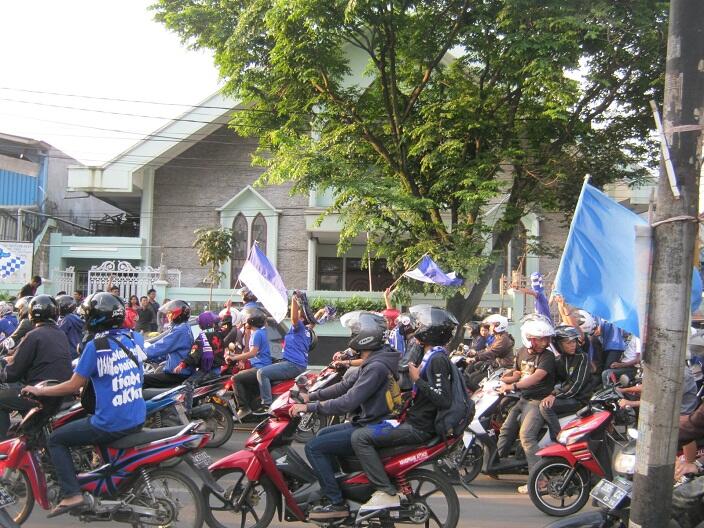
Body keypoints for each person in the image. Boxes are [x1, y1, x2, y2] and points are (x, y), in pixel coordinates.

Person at [22, 292, 146, 517]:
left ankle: (72, 494)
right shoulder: (134, 338)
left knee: (57, 439)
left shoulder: (96, 346)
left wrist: (40, 390)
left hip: (111, 422)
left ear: (95, 318)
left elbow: (73, 385)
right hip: (136, 416)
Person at [288, 311, 399, 520]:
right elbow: (344, 386)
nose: (351, 337)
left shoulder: (375, 366)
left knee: (313, 447)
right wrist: (309, 396)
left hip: (372, 425)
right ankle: (339, 485)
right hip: (368, 421)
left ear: (365, 336)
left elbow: (348, 401)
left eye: (354, 332)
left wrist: (310, 408)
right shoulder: (374, 359)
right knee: (322, 435)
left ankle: (336, 502)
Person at [350, 305, 458, 511]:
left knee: (360, 437)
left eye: (420, 324)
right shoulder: (430, 355)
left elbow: (443, 399)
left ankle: (385, 491)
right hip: (413, 420)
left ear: (429, 330)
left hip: (419, 427)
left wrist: (418, 380)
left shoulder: (437, 360)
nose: (416, 328)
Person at [496, 317, 556, 493]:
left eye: (546, 339)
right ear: (529, 338)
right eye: (541, 339)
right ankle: (498, 463)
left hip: (537, 401)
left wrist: (513, 385)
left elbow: (537, 376)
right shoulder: (522, 352)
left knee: (526, 437)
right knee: (506, 430)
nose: (545, 342)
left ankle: (541, 481)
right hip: (523, 399)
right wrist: (504, 379)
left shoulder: (548, 356)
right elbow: (517, 373)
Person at [0, 295, 73, 440]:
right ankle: (27, 433)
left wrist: (3, 369)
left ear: (31, 313)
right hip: (59, 392)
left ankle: (3, 448)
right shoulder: (60, 334)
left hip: (39, 393)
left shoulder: (33, 335)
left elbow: (12, 374)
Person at [257, 294, 317, 409]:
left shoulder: (298, 327)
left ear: (302, 319)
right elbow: (313, 322)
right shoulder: (308, 330)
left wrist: (294, 300)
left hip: (292, 364)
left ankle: (267, 405)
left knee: (262, 373)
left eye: (299, 315)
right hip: (297, 364)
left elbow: (294, 318)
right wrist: (321, 312)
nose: (295, 317)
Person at [540, 325, 591, 441]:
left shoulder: (582, 357)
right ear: (559, 344)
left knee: (545, 407)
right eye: (568, 343)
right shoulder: (560, 360)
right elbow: (552, 380)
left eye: (574, 341)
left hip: (579, 398)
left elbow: (576, 385)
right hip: (565, 395)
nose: (573, 345)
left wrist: (554, 395)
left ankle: (558, 440)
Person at [229, 308, 272, 418]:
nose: (245, 323)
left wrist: (235, 358)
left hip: (260, 367)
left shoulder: (257, 334)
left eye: (247, 321)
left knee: (236, 378)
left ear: (251, 323)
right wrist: (235, 356)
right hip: (261, 365)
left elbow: (252, 353)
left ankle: (243, 408)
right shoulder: (260, 332)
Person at [143, 300, 194, 388]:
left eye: (170, 313)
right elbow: (170, 351)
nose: (168, 316)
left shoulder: (180, 330)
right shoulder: (184, 327)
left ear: (177, 315)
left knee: (142, 380)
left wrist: (141, 353)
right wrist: (154, 358)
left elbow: (161, 346)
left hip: (177, 375)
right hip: (179, 372)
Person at [465, 314, 515, 391]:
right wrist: (476, 353)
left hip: (503, 367)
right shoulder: (498, 337)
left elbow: (492, 352)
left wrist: (476, 358)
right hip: (496, 365)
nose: (490, 327)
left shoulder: (503, 339)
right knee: (471, 377)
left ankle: (483, 398)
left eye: (492, 325)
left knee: (474, 381)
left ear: (499, 326)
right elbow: (487, 349)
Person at [174, 311, 225, 382]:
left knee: (187, 384)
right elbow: (227, 326)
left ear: (200, 326)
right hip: (218, 370)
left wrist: (183, 364)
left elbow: (194, 354)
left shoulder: (201, 338)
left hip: (207, 371)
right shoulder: (219, 333)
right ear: (213, 324)